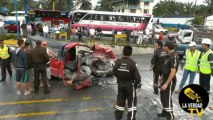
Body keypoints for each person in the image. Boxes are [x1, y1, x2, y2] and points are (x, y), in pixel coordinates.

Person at [113, 45, 141, 120]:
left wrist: (120, 78)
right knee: (131, 103)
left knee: (120, 102)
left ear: (123, 52)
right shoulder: (132, 63)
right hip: (130, 86)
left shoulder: (118, 62)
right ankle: (131, 118)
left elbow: (114, 73)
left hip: (120, 85)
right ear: (131, 53)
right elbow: (137, 77)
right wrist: (138, 84)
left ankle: (118, 117)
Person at [157, 41, 179, 120]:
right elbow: (166, 68)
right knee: (163, 97)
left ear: (168, 47)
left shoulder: (174, 57)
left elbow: (173, 72)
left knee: (167, 98)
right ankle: (165, 112)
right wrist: (162, 76)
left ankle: (170, 117)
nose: (163, 47)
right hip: (165, 79)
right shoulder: (168, 56)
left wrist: (166, 84)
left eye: (164, 46)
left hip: (170, 81)